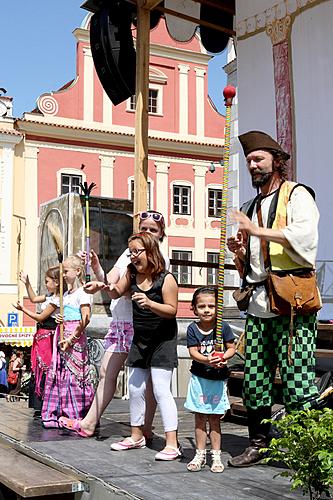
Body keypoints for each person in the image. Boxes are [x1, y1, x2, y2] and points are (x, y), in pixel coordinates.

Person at [227, 130, 321, 467]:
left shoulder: (297, 195)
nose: (252, 165)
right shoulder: (248, 206)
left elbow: (304, 237)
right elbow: (249, 265)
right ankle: (258, 444)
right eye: (249, 161)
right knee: (253, 381)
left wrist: (257, 232)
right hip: (257, 303)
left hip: (292, 302)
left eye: (258, 159)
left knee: (297, 380)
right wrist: (239, 252)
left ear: (275, 161)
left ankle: (305, 450)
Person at [59, 210, 168, 438]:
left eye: (153, 229)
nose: (147, 232)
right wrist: (96, 266)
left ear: (161, 235)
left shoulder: (160, 258)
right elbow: (110, 281)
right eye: (144, 228)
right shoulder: (128, 253)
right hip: (121, 322)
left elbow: (127, 289)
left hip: (141, 324)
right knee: (106, 372)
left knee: (147, 380)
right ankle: (89, 423)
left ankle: (146, 427)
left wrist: (111, 288)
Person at [103, 232, 180, 461]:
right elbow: (115, 291)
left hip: (162, 340)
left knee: (160, 389)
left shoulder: (166, 278)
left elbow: (172, 310)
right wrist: (102, 281)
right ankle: (136, 436)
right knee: (135, 388)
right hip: (140, 340)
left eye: (137, 251)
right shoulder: (131, 273)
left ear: (150, 251)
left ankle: (172, 444)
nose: (133, 256)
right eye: (131, 252)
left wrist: (149, 303)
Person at [185, 287, 235, 473]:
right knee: (199, 417)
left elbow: (231, 348)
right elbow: (193, 351)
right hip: (200, 378)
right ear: (194, 309)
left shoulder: (223, 327)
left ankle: (216, 455)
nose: (207, 310)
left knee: (214, 418)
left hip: (217, 379)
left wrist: (223, 357)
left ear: (217, 308)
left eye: (211, 306)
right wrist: (207, 359)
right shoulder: (192, 328)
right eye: (202, 306)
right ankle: (199, 453)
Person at [42, 255, 95, 428]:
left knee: (76, 375)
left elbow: (85, 318)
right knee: (62, 373)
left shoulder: (83, 292)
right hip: (62, 335)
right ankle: (61, 412)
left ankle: (77, 413)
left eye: (66, 271)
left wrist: (71, 339)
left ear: (77, 271)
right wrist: (60, 319)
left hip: (74, 337)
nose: (63, 275)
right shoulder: (65, 295)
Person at [14, 267, 62, 417]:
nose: (45, 284)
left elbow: (41, 318)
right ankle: (38, 404)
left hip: (49, 337)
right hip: (42, 337)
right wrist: (27, 283)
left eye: (47, 281)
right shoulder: (49, 296)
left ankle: (45, 403)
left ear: (56, 283)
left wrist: (23, 310)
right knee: (38, 368)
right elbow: (34, 299)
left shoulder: (56, 301)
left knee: (45, 369)